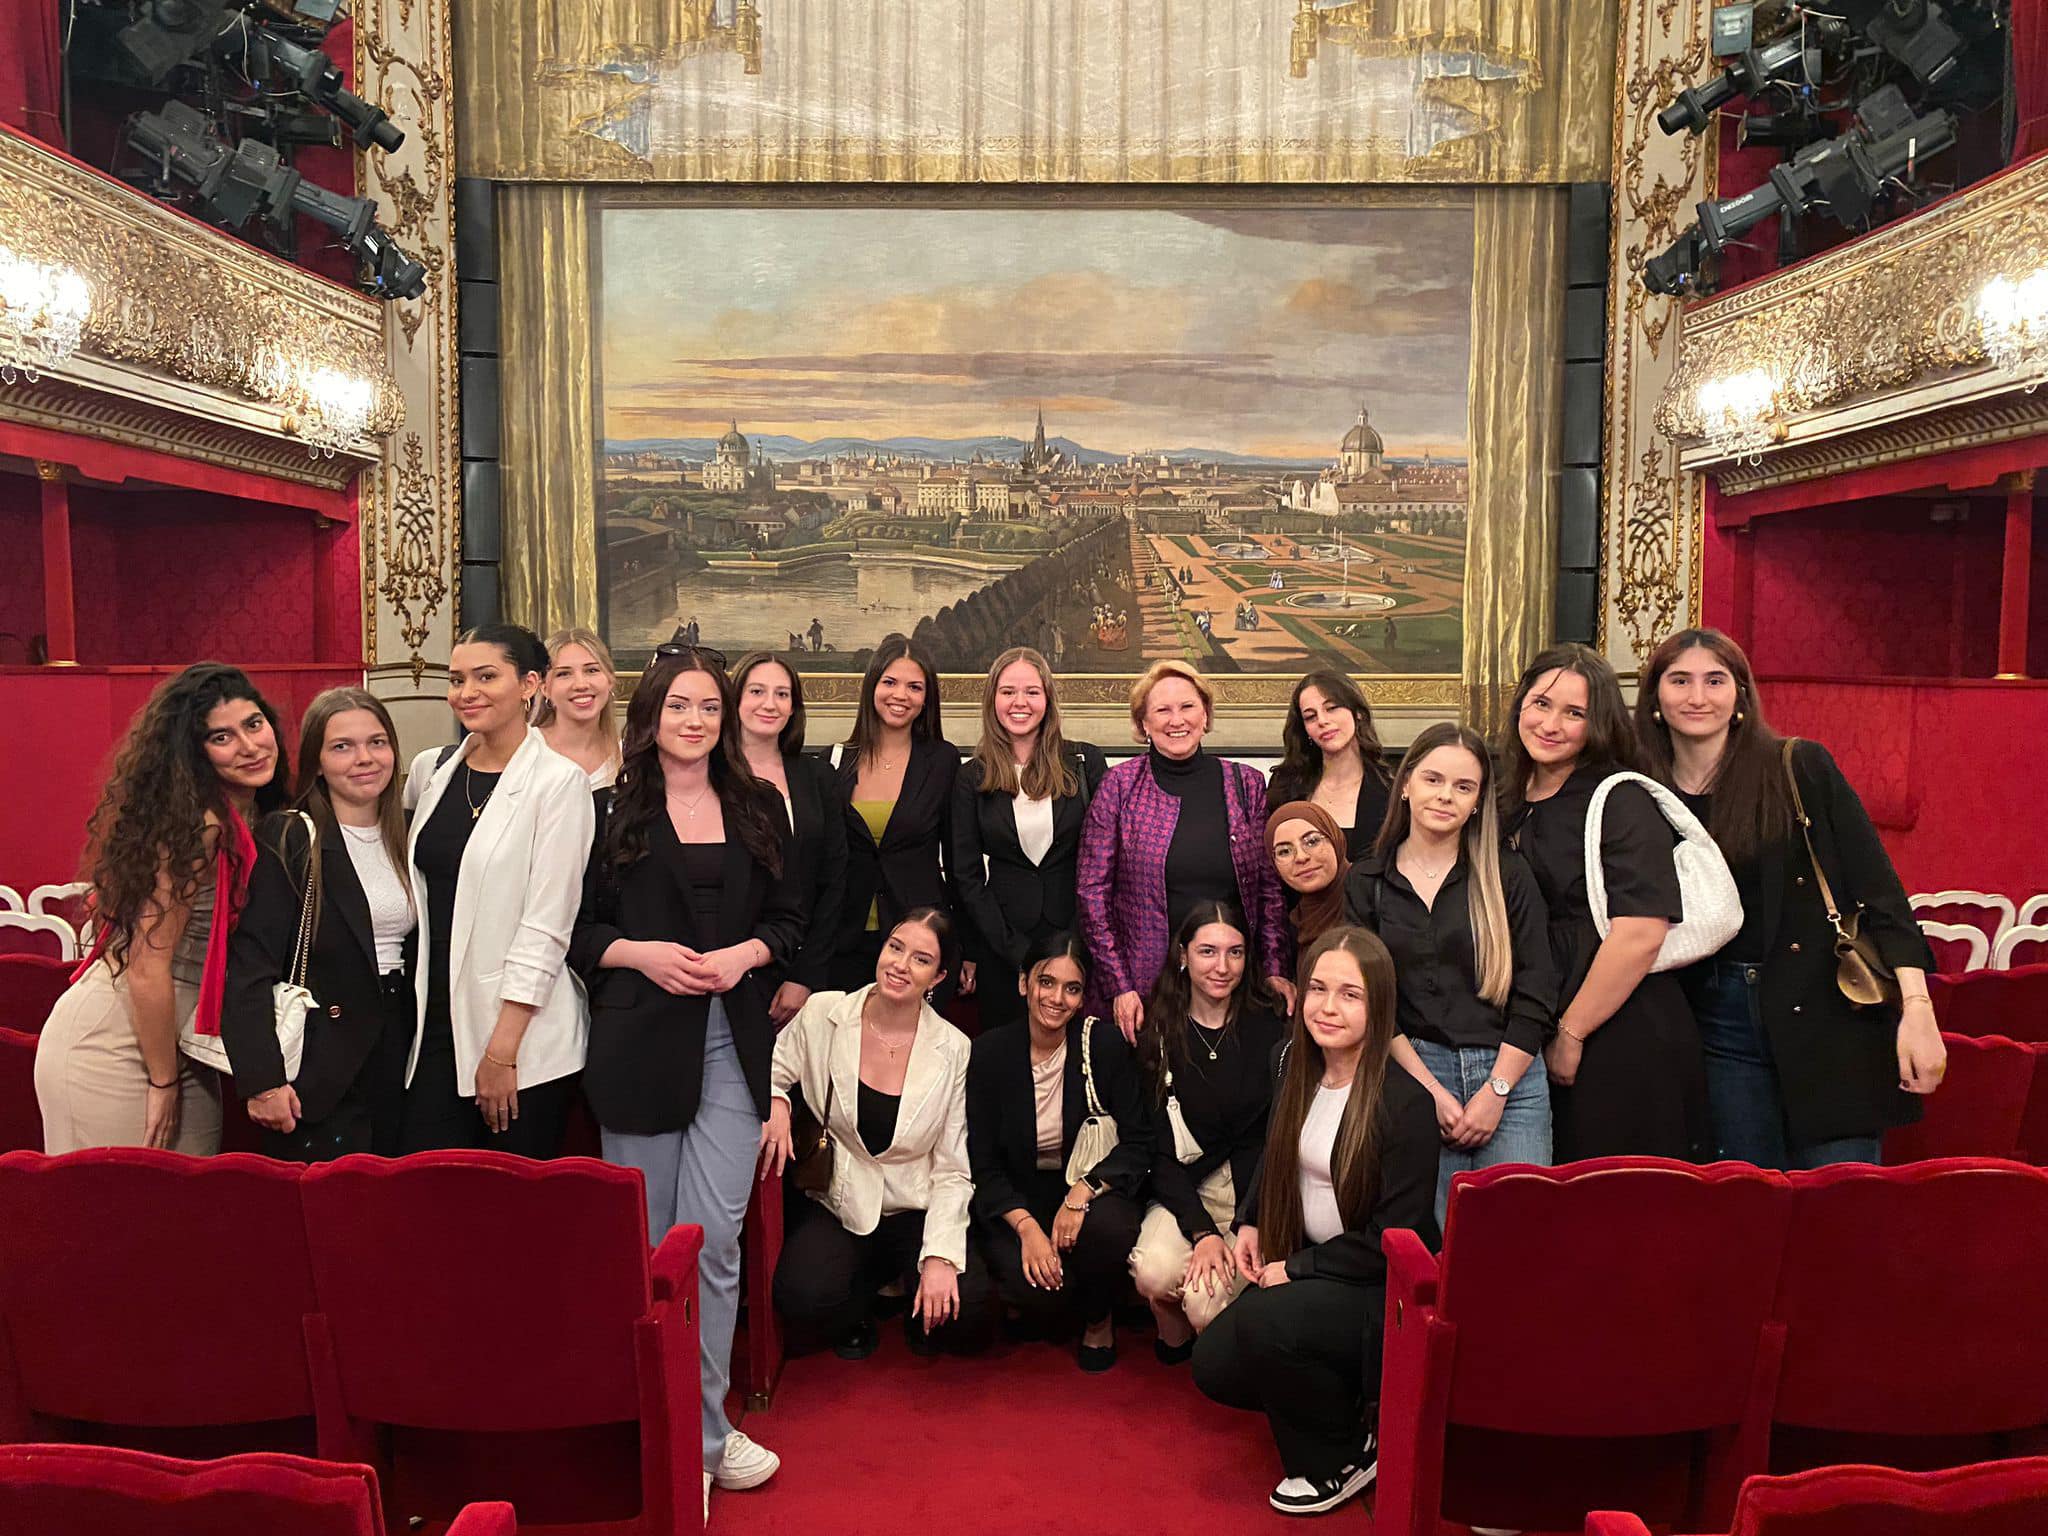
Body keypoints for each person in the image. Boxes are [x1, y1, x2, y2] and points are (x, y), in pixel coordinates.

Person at [570, 644, 803, 1503]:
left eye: (709, 706)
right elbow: (575, 932)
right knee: (649, 1246)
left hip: (732, 1042)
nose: (695, 720)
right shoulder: (605, 809)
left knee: (714, 1243)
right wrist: (641, 954)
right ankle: (655, 1430)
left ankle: (706, 1434)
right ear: (650, 715)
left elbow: (790, 922)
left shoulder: (758, 805)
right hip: (638, 1046)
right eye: (679, 706)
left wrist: (747, 955)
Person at [1636, 628, 1945, 1166]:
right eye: (1680, 681)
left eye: (1715, 681)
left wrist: (1918, 1009)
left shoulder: (1798, 766)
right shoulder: (1639, 789)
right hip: (1714, 1020)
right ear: (1655, 699)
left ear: (1740, 695)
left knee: (1839, 1198)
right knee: (1749, 1201)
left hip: (1828, 1007)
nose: (1697, 697)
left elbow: (1880, 892)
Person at [1192, 926, 1440, 1518]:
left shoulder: (1406, 1103)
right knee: (1214, 1364)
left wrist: (1298, 1268)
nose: (1328, 1007)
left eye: (1350, 995)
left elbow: (1394, 1241)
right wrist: (1251, 1220)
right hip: (1315, 1271)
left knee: (1268, 1321)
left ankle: (1340, 1458)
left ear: (1379, 1006)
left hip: (1375, 1287)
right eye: (1319, 989)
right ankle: (1345, 1406)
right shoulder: (1294, 1067)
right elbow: (1277, 1155)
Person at [36, 664, 288, 1154]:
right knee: (120, 1200)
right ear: (193, 753)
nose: (250, 746)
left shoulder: (251, 811)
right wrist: (163, 1080)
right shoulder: (198, 825)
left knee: (187, 1198)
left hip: (186, 1042)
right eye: (222, 737)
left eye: (254, 724)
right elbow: (147, 968)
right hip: (115, 1043)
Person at [1498, 644, 1708, 1162]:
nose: (1551, 724)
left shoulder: (1620, 797)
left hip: (1618, 1034)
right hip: (1531, 1026)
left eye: (1575, 713)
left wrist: (1572, 1033)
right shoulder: (1503, 796)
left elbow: (1641, 933)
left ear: (1599, 724)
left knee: (1614, 1197)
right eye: (1541, 704)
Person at [1345, 724, 1556, 1226]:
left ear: (1479, 801)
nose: (1446, 796)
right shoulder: (1367, 882)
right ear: (1406, 784)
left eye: (1463, 787)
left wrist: (1496, 1092)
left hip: (1511, 1076)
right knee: (1433, 1242)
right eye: (1433, 779)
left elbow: (1537, 989)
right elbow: (1373, 1001)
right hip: (1413, 1073)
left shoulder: (1507, 874)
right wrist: (1430, 1093)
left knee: (1516, 1235)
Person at [763, 908, 994, 1358]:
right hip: (840, 1198)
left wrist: (940, 1256)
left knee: (969, 1313)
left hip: (913, 1205)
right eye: (895, 947)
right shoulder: (824, 1012)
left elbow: (953, 1165)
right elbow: (771, 1069)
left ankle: (906, 1286)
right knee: (802, 1298)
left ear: (938, 977)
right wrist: (776, 1102)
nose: (900, 965)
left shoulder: (954, 1048)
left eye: (921, 959)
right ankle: (866, 1295)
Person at [400, 624, 594, 1156]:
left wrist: (502, 1052)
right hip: (434, 1020)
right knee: (426, 1186)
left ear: (530, 684)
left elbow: (547, 926)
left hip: (520, 1038)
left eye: (486, 677)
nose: (467, 692)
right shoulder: (432, 769)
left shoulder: (559, 783)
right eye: (457, 679)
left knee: (507, 1199)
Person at [223, 689, 416, 1160]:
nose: (364, 758)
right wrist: (264, 1081)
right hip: (321, 1061)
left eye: (377, 742)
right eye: (342, 746)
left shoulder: (412, 830)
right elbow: (249, 966)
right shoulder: (290, 835)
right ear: (318, 761)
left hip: (402, 1045)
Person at [1077, 661, 1290, 1041]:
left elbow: (1269, 891)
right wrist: (1118, 985)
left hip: (1231, 984)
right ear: (1143, 723)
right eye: (1162, 710)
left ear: (1205, 715)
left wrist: (1274, 968)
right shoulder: (1118, 786)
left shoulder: (1246, 785)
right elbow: (1091, 893)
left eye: (1188, 706)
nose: (1177, 720)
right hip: (1144, 991)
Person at [965, 933, 1149, 1371]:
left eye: (1072, 988)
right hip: (1019, 1195)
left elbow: (1140, 1141)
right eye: (1046, 982)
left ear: (1083, 998)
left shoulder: (1103, 1046)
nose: (1057, 998)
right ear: (1023, 983)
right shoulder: (990, 1052)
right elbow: (982, 1163)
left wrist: (1081, 1193)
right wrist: (1028, 1228)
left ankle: (1099, 1319)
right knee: (1042, 1298)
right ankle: (1046, 1301)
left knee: (1107, 1230)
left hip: (1089, 1187)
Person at [1128, 901, 1287, 1361]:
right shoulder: (1158, 1030)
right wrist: (1202, 1232)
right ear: (1183, 955)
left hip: (1251, 1194)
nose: (1222, 967)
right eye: (1208, 952)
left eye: (1235, 953)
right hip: (1184, 1188)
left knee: (1204, 1304)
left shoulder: (1270, 1025)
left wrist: (1249, 1219)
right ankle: (1174, 1333)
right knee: (1153, 1273)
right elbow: (1157, 1148)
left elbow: (1277, 1137)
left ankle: (1213, 1348)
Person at [952, 647, 1107, 1029]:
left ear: (1047, 699)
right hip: (1003, 948)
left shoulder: (1085, 763)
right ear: (993, 700)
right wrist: (1016, 950)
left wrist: (1073, 943)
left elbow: (1106, 862)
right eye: (1008, 692)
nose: (1019, 702)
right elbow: (966, 875)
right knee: (1007, 1052)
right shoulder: (971, 777)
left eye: (1032, 692)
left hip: (1078, 940)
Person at [828, 634, 968, 1000]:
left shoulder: (943, 761)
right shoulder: (834, 761)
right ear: (872, 686)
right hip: (843, 942)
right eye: (890, 682)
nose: (900, 695)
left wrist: (967, 947)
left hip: (918, 943)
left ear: (927, 698)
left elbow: (959, 864)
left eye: (914, 687)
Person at [732, 651, 848, 1027]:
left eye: (782, 694)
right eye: (757, 691)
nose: (770, 704)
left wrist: (805, 975)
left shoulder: (818, 777)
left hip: (804, 968)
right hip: (731, 968)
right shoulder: (709, 773)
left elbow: (834, 880)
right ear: (735, 699)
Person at [1265, 671, 1392, 862]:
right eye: (1310, 716)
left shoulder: (1391, 789)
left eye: (1331, 708)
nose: (1322, 721)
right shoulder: (1285, 786)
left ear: (1357, 713)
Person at [534, 626, 622, 789]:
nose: (581, 685)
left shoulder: (628, 756)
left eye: (592, 670)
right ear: (544, 688)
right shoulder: (524, 748)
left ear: (610, 680)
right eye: (564, 674)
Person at [1266, 801, 1350, 951]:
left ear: (1335, 839)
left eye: (1312, 841)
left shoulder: (1371, 902)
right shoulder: (1289, 928)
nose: (1301, 857)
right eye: (1284, 851)